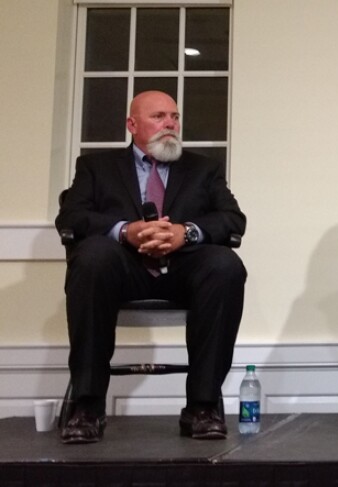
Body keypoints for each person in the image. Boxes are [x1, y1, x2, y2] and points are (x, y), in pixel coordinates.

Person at [55, 90, 247, 444]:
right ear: (132, 124)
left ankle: (202, 407)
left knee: (225, 265)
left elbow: (233, 219)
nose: (170, 123)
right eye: (159, 116)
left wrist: (184, 233)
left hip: (183, 270)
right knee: (93, 257)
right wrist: (126, 231)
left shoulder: (204, 169)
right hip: (121, 268)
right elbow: (71, 216)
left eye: (174, 117)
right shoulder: (96, 167)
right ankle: (87, 406)